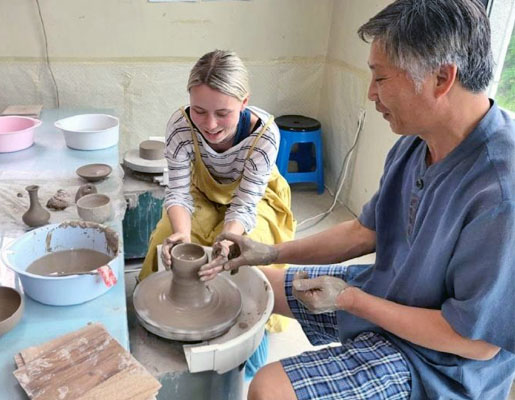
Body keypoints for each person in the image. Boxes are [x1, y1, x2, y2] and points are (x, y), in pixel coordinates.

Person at [200, 1, 515, 399]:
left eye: (380, 78)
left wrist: (352, 301)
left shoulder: (502, 188)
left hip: (441, 364)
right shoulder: (416, 143)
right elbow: (364, 231)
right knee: (252, 283)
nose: (371, 95)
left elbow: (475, 342)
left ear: (441, 78)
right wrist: (268, 251)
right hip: (393, 294)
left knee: (269, 389)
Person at [138, 50, 296, 377]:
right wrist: (180, 233)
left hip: (255, 197)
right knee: (168, 235)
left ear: (244, 101)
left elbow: (245, 203)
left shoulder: (265, 134)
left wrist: (230, 240)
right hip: (202, 190)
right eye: (199, 110)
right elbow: (178, 192)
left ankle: (252, 334)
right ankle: (165, 320)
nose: (210, 124)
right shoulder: (180, 127)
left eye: (223, 113)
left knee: (250, 249)